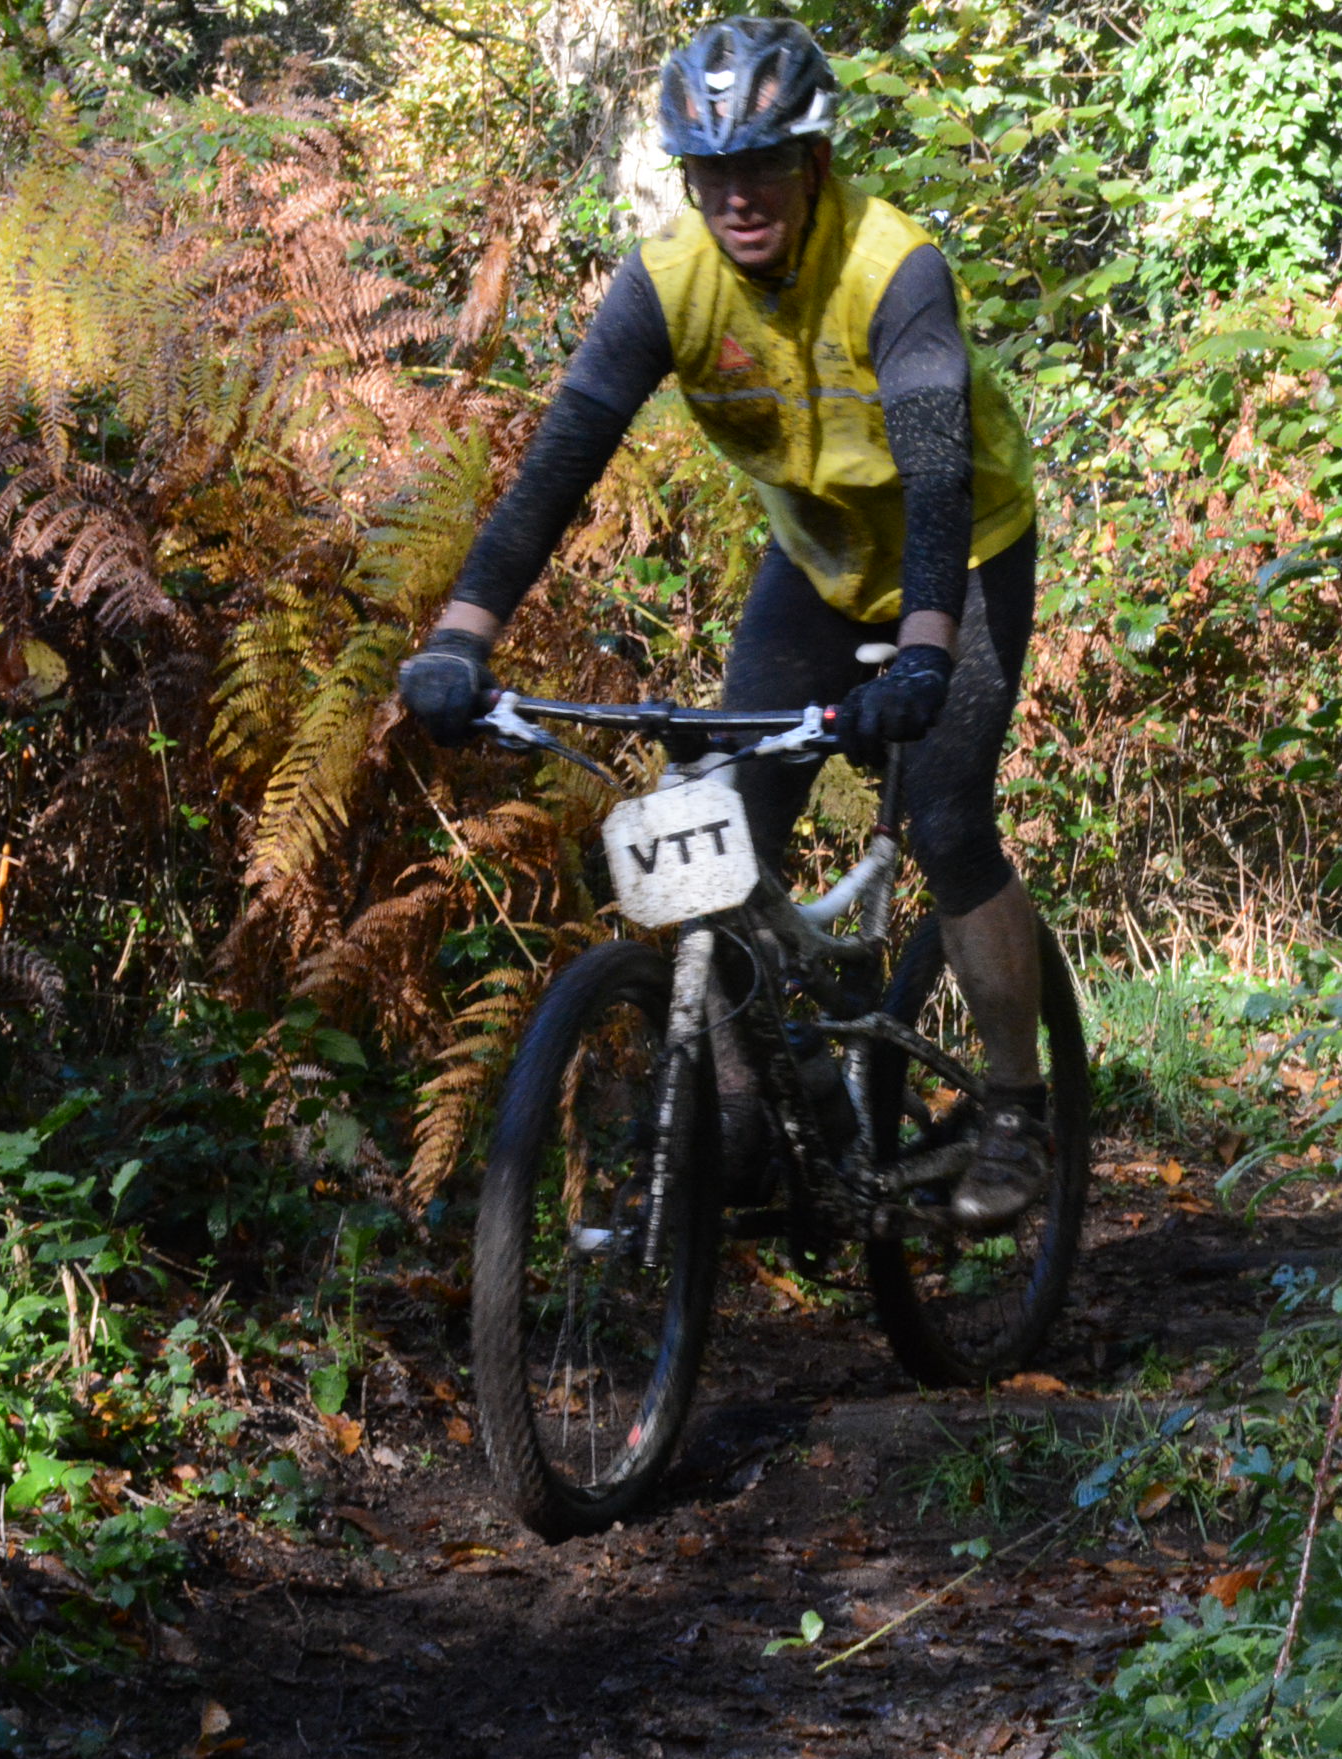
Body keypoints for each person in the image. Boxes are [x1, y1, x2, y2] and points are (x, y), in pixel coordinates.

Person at [396, 16, 1049, 1230]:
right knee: (712, 841)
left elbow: (938, 473)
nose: (738, 195)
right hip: (815, 560)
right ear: (687, 177)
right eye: (711, 171)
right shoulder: (669, 281)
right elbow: (558, 466)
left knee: (950, 817)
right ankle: (756, 1107)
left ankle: (1016, 1106)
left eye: (763, 166)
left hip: (959, 555)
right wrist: (460, 637)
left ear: (813, 163)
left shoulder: (892, 268)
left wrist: (925, 649)